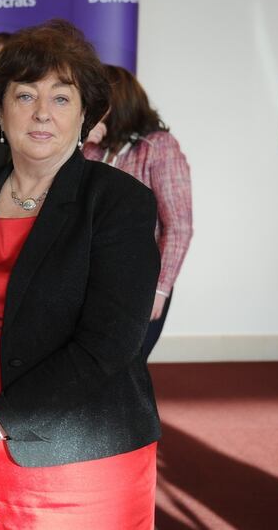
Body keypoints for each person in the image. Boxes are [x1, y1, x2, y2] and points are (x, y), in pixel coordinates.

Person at [0, 20, 163, 529]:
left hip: (82, 462)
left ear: (85, 115)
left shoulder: (118, 201)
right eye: (25, 95)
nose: (42, 112)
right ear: (0, 111)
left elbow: (109, 344)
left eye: (61, 98)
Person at [82, 64, 193, 357]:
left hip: (139, 280)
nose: (87, 107)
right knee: (89, 364)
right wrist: (78, 139)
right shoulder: (91, 147)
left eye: (95, 100)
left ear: (116, 102)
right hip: (90, 276)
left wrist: (160, 289)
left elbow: (179, 226)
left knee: (128, 364)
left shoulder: (158, 147)